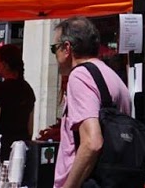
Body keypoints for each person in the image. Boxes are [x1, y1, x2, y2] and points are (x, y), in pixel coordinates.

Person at [52, 17, 133, 188]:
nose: (55, 55)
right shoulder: (113, 77)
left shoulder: (80, 76)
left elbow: (92, 142)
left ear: (67, 48)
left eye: (55, 48)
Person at [0, 44, 36, 170]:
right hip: (21, 154)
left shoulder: (0, 90)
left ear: (5, 64)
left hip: (1, 153)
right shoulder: (28, 90)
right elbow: (30, 129)